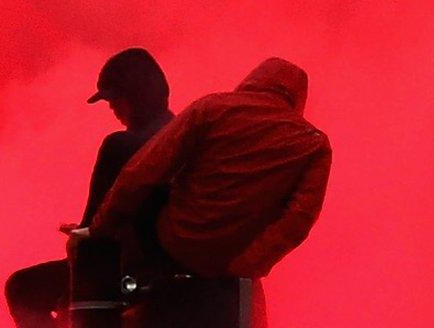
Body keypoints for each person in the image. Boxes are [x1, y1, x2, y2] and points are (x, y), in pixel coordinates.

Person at [6, 47, 174, 328]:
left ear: (134, 96)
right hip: (162, 265)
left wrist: (78, 238)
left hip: (120, 270)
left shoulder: (120, 145)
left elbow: (94, 228)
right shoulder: (183, 135)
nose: (113, 110)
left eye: (115, 100)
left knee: (22, 289)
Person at [91, 57, 331, 280]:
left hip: (173, 243)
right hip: (232, 263)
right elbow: (298, 219)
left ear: (251, 81)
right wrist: (248, 265)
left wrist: (100, 227)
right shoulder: (313, 144)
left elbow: (144, 170)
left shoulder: (211, 108)